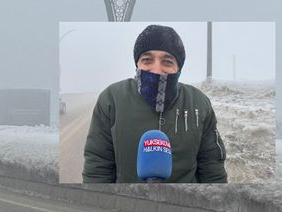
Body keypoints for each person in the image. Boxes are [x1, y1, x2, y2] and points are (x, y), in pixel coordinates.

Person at [83, 24, 228, 183]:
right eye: (147, 60)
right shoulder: (111, 99)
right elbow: (97, 166)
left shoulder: (199, 103)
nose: (157, 69)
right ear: (137, 63)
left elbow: (212, 167)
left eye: (167, 61)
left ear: (178, 67)